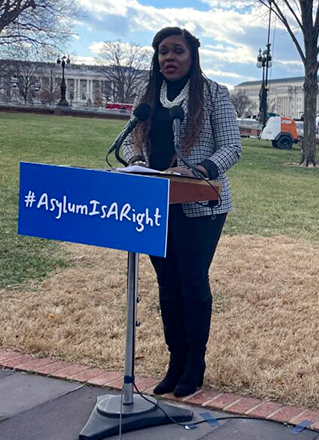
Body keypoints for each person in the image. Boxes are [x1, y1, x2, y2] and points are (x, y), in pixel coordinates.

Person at [121, 27, 241, 398]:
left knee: (192, 282)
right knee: (168, 286)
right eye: (162, 52)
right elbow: (129, 139)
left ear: (193, 56)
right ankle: (175, 362)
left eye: (177, 51)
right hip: (156, 203)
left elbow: (232, 147)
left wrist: (200, 169)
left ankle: (195, 365)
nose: (169, 58)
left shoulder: (214, 95)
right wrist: (136, 159)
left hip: (202, 205)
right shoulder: (147, 99)